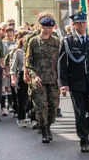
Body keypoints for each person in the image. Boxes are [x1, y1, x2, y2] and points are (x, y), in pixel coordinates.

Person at [58, 12, 89, 152]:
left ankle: (86, 129)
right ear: (73, 25)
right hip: (76, 82)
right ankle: (84, 138)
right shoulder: (68, 42)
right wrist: (63, 83)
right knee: (80, 112)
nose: (81, 25)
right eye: (78, 23)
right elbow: (62, 64)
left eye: (83, 22)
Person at [24, 15, 61, 143]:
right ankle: (44, 130)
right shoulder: (33, 42)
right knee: (41, 106)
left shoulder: (56, 42)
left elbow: (60, 62)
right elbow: (29, 62)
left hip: (52, 79)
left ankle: (48, 125)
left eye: (51, 28)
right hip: (38, 80)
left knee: (53, 106)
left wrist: (61, 79)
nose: (49, 30)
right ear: (40, 27)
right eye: (46, 28)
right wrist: (33, 76)